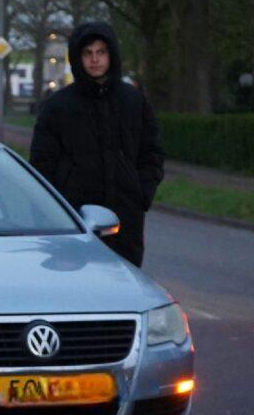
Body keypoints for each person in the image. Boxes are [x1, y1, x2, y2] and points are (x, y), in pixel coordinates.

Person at [29, 21, 164, 266]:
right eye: (88, 53)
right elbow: (42, 163)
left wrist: (141, 193)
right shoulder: (58, 107)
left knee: (125, 287)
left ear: (111, 55)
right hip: (74, 219)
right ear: (77, 58)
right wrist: (58, 208)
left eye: (101, 52)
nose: (95, 60)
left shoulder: (134, 102)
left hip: (125, 218)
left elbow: (151, 152)